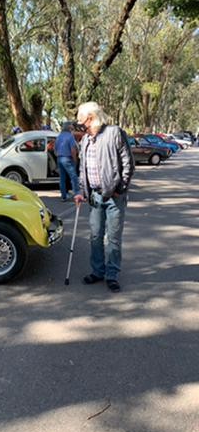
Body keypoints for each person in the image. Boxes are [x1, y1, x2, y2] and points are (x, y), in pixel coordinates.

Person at [72, 102, 134, 293]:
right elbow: (83, 169)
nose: (79, 124)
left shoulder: (114, 133)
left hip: (114, 196)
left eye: (80, 120)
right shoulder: (85, 141)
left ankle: (112, 275)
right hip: (94, 197)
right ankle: (98, 271)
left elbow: (128, 163)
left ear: (90, 118)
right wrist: (81, 191)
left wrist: (120, 189)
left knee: (113, 238)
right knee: (95, 236)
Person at [55, 122, 79, 202]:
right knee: (74, 177)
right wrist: (75, 160)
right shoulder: (70, 136)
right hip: (67, 158)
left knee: (62, 178)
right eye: (71, 127)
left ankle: (63, 196)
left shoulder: (59, 137)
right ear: (69, 127)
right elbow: (73, 150)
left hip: (60, 158)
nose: (72, 128)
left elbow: (55, 150)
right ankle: (77, 194)